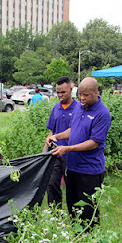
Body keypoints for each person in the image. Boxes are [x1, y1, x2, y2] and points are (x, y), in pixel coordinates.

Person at [46, 77, 111, 228]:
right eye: (79, 94)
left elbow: (94, 143)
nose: (82, 98)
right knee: (73, 206)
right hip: (73, 167)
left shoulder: (102, 113)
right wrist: (56, 136)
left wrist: (67, 148)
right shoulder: (79, 107)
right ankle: (78, 237)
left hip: (89, 170)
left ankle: (91, 242)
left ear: (96, 92)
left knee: (88, 210)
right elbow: (73, 130)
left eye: (86, 95)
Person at [43, 76, 78, 207]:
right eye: (57, 92)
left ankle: (74, 213)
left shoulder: (78, 108)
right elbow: (52, 131)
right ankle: (55, 213)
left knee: (72, 187)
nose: (60, 95)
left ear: (71, 89)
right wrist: (44, 151)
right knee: (51, 183)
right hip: (55, 154)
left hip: (72, 155)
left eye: (63, 92)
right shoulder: (55, 109)